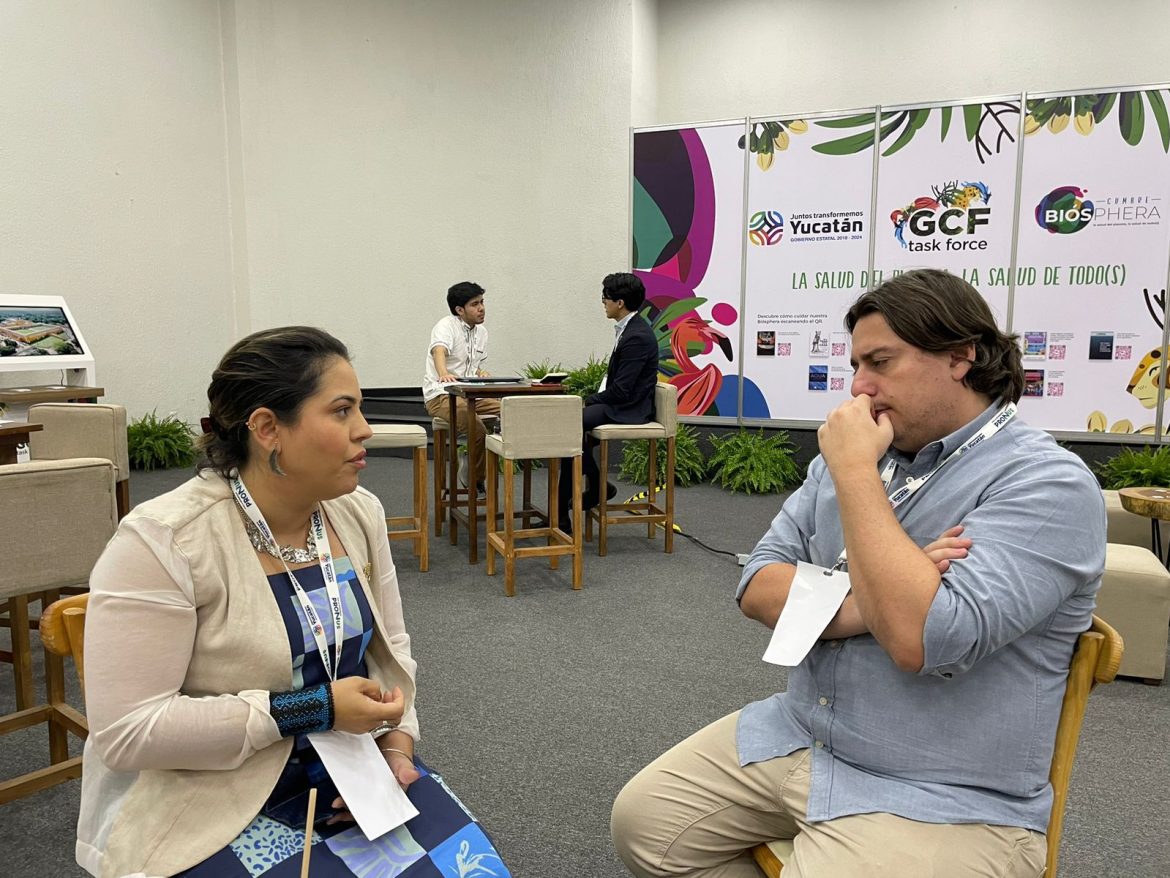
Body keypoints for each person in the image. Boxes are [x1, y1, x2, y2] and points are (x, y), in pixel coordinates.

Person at [610, 269, 1106, 878]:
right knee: (644, 827)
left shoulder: (1045, 483)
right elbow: (758, 583)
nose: (860, 390)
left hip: (941, 789)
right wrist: (882, 595)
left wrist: (856, 478)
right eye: (855, 366)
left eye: (881, 362)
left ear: (961, 355)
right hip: (804, 731)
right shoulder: (858, 453)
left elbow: (922, 640)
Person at [77, 327, 509, 878]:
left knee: (477, 871)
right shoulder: (165, 540)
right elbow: (128, 731)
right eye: (342, 411)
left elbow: (391, 651)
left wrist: (398, 750)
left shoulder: (357, 512)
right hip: (210, 797)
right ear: (266, 429)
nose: (365, 431)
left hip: (354, 767)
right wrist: (313, 708)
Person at [558, 272, 659, 531]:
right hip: (622, 402)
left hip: (630, 408)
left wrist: (589, 399)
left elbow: (622, 391)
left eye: (606, 297)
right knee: (572, 430)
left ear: (620, 302)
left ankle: (576, 502)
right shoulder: (630, 329)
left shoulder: (636, 336)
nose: (603, 302)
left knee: (569, 425)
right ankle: (586, 495)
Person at [422, 281, 501, 494]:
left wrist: (479, 373)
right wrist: (443, 374)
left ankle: (471, 458)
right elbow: (439, 351)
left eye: (482, 302)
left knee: (510, 410)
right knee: (477, 429)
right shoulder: (446, 326)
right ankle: (475, 478)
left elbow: (470, 365)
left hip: (471, 393)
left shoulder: (482, 332)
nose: (482, 308)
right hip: (442, 395)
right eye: (475, 304)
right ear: (459, 310)